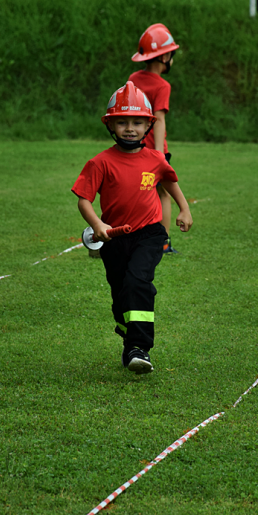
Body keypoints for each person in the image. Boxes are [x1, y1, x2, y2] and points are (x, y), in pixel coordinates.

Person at [72, 81, 193, 374]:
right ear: (111, 126)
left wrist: (184, 208)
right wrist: (98, 224)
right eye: (122, 122)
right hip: (113, 237)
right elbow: (84, 201)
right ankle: (128, 334)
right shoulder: (100, 162)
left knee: (139, 282)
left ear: (148, 126)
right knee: (120, 292)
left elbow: (169, 180)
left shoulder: (155, 159)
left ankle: (139, 348)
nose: (130, 128)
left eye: (137, 122)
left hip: (150, 234)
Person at [129, 23, 181, 254]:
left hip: (133, 146)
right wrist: (159, 152)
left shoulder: (133, 78)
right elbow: (158, 119)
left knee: (135, 191)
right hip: (154, 150)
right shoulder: (162, 85)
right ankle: (163, 242)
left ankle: (132, 235)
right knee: (163, 193)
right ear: (165, 56)